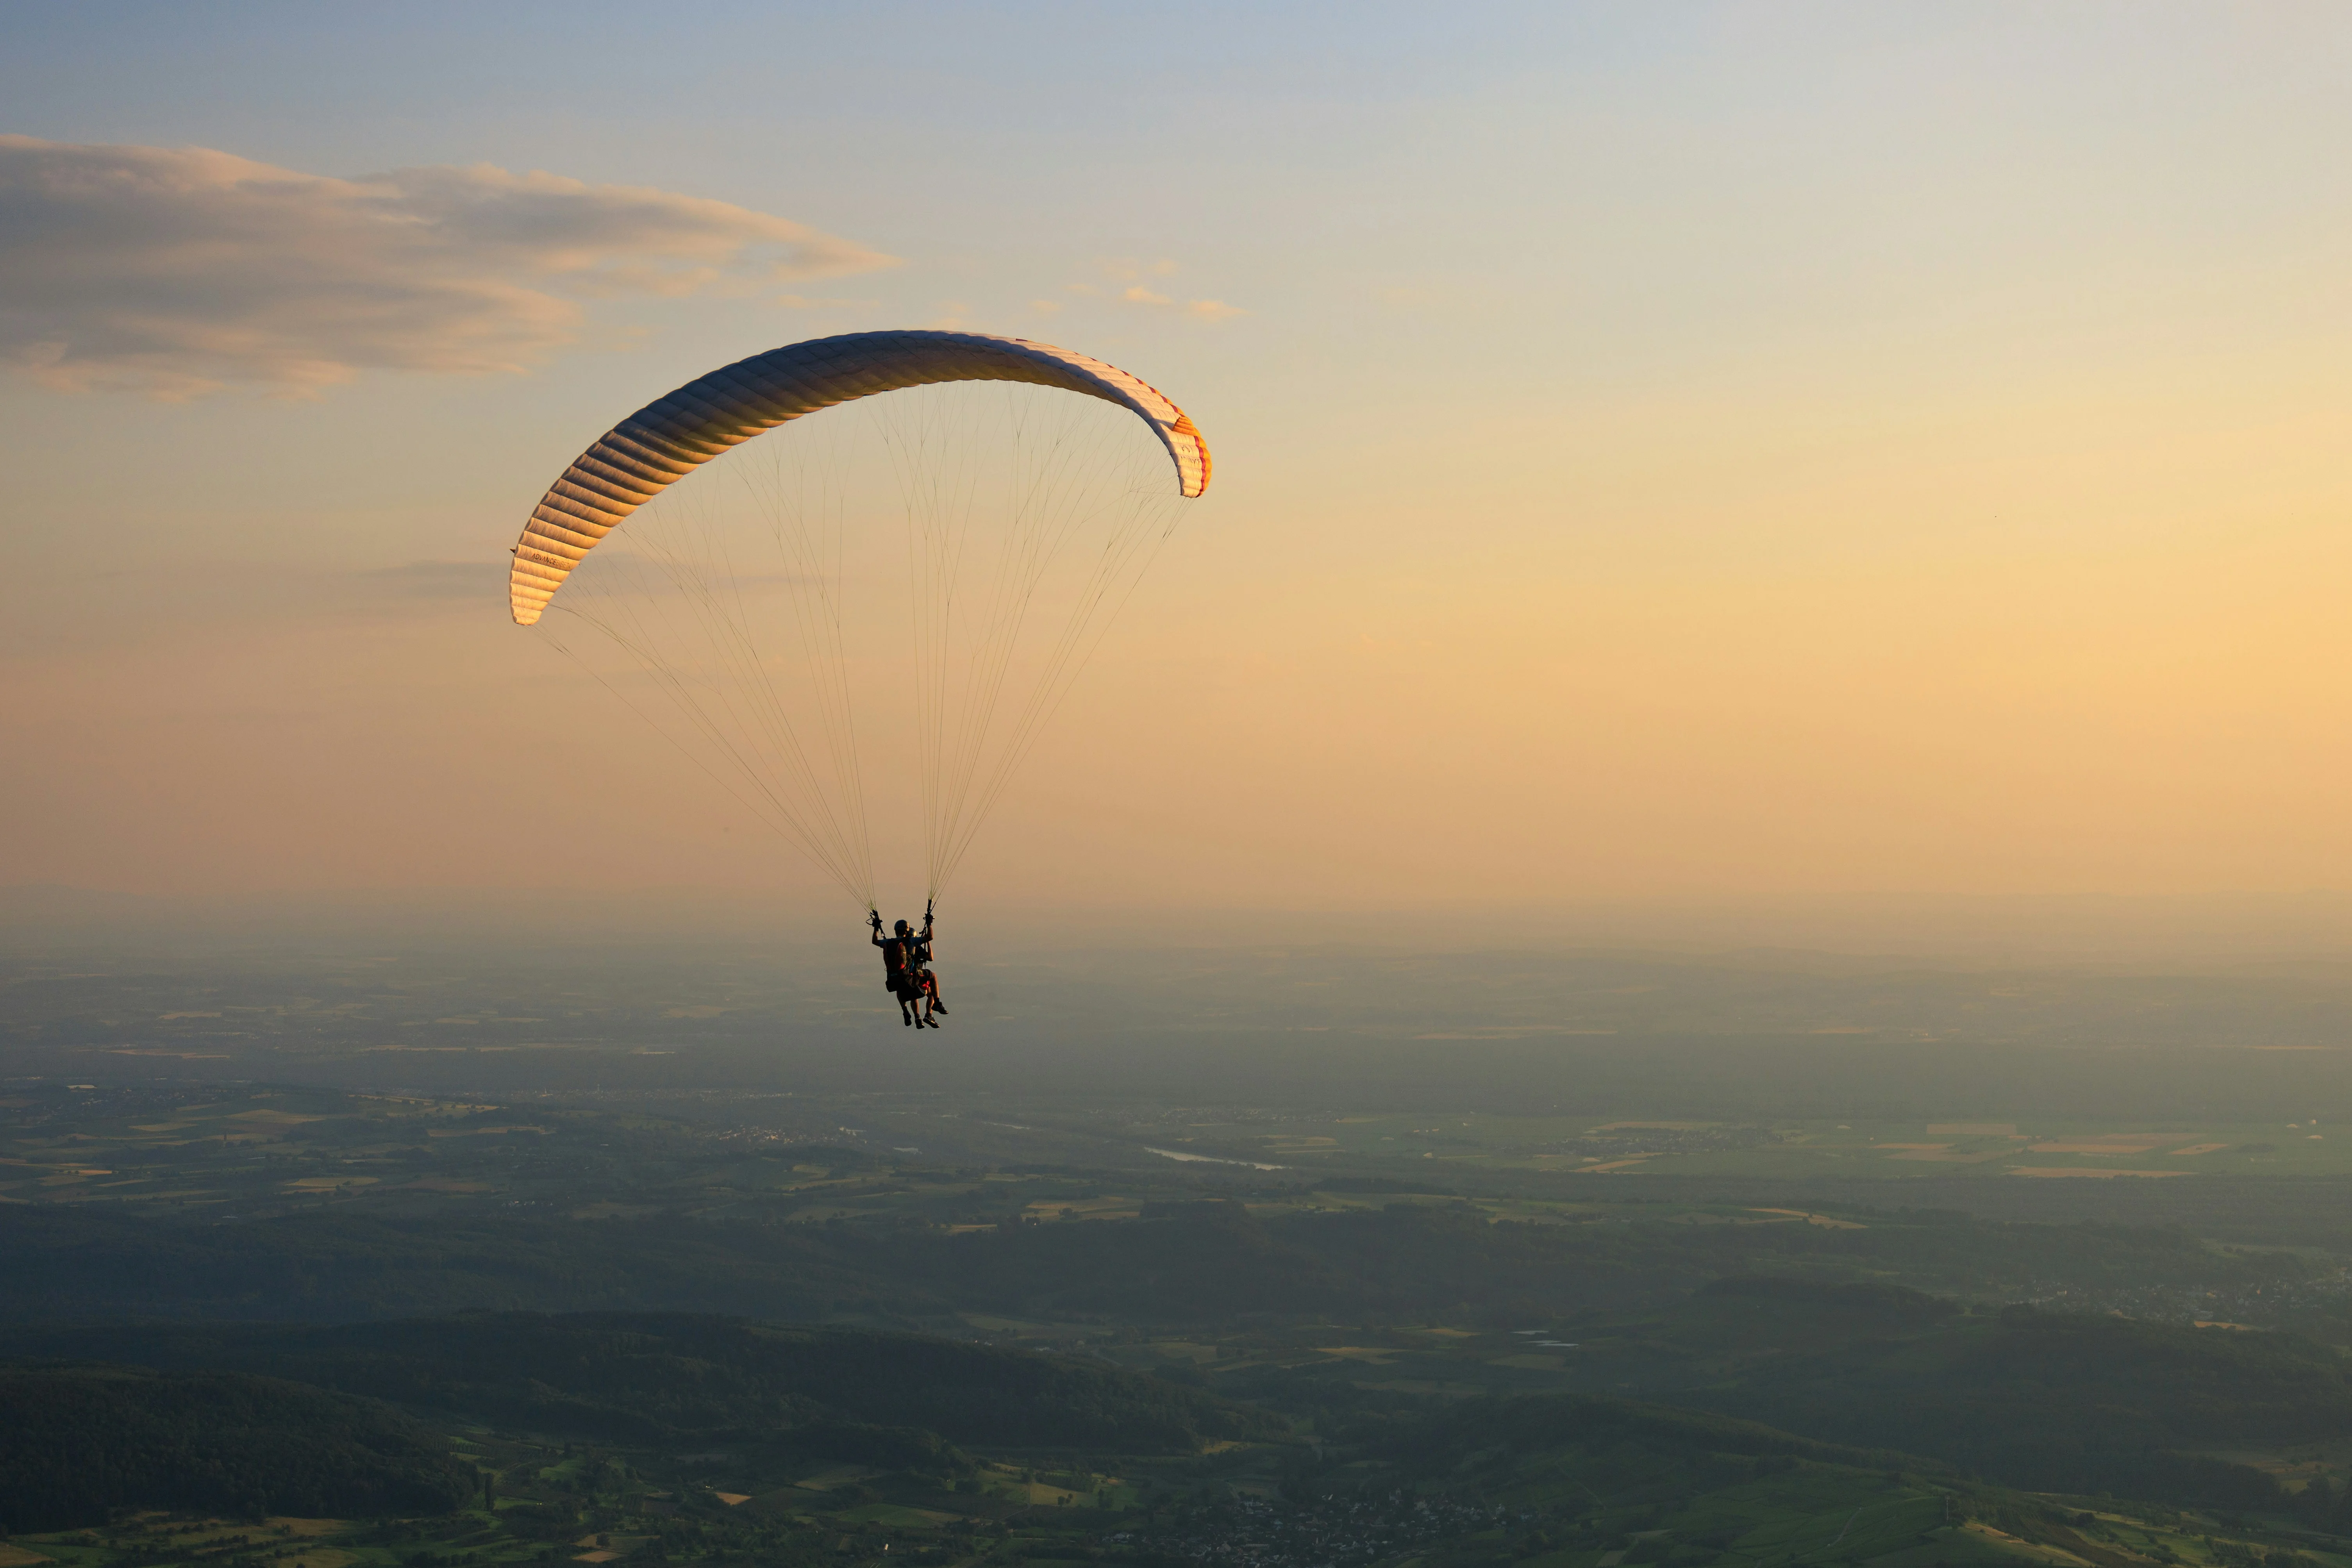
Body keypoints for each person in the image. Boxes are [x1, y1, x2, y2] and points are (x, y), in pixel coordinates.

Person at [869, 909, 945, 1028]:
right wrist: (929, 923)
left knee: (901, 987)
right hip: (910, 977)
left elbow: (874, 941)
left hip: (894, 979)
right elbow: (930, 937)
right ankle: (938, 1003)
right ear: (907, 930)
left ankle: (906, 1011)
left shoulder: (888, 943)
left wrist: (876, 928)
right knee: (933, 976)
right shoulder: (911, 941)